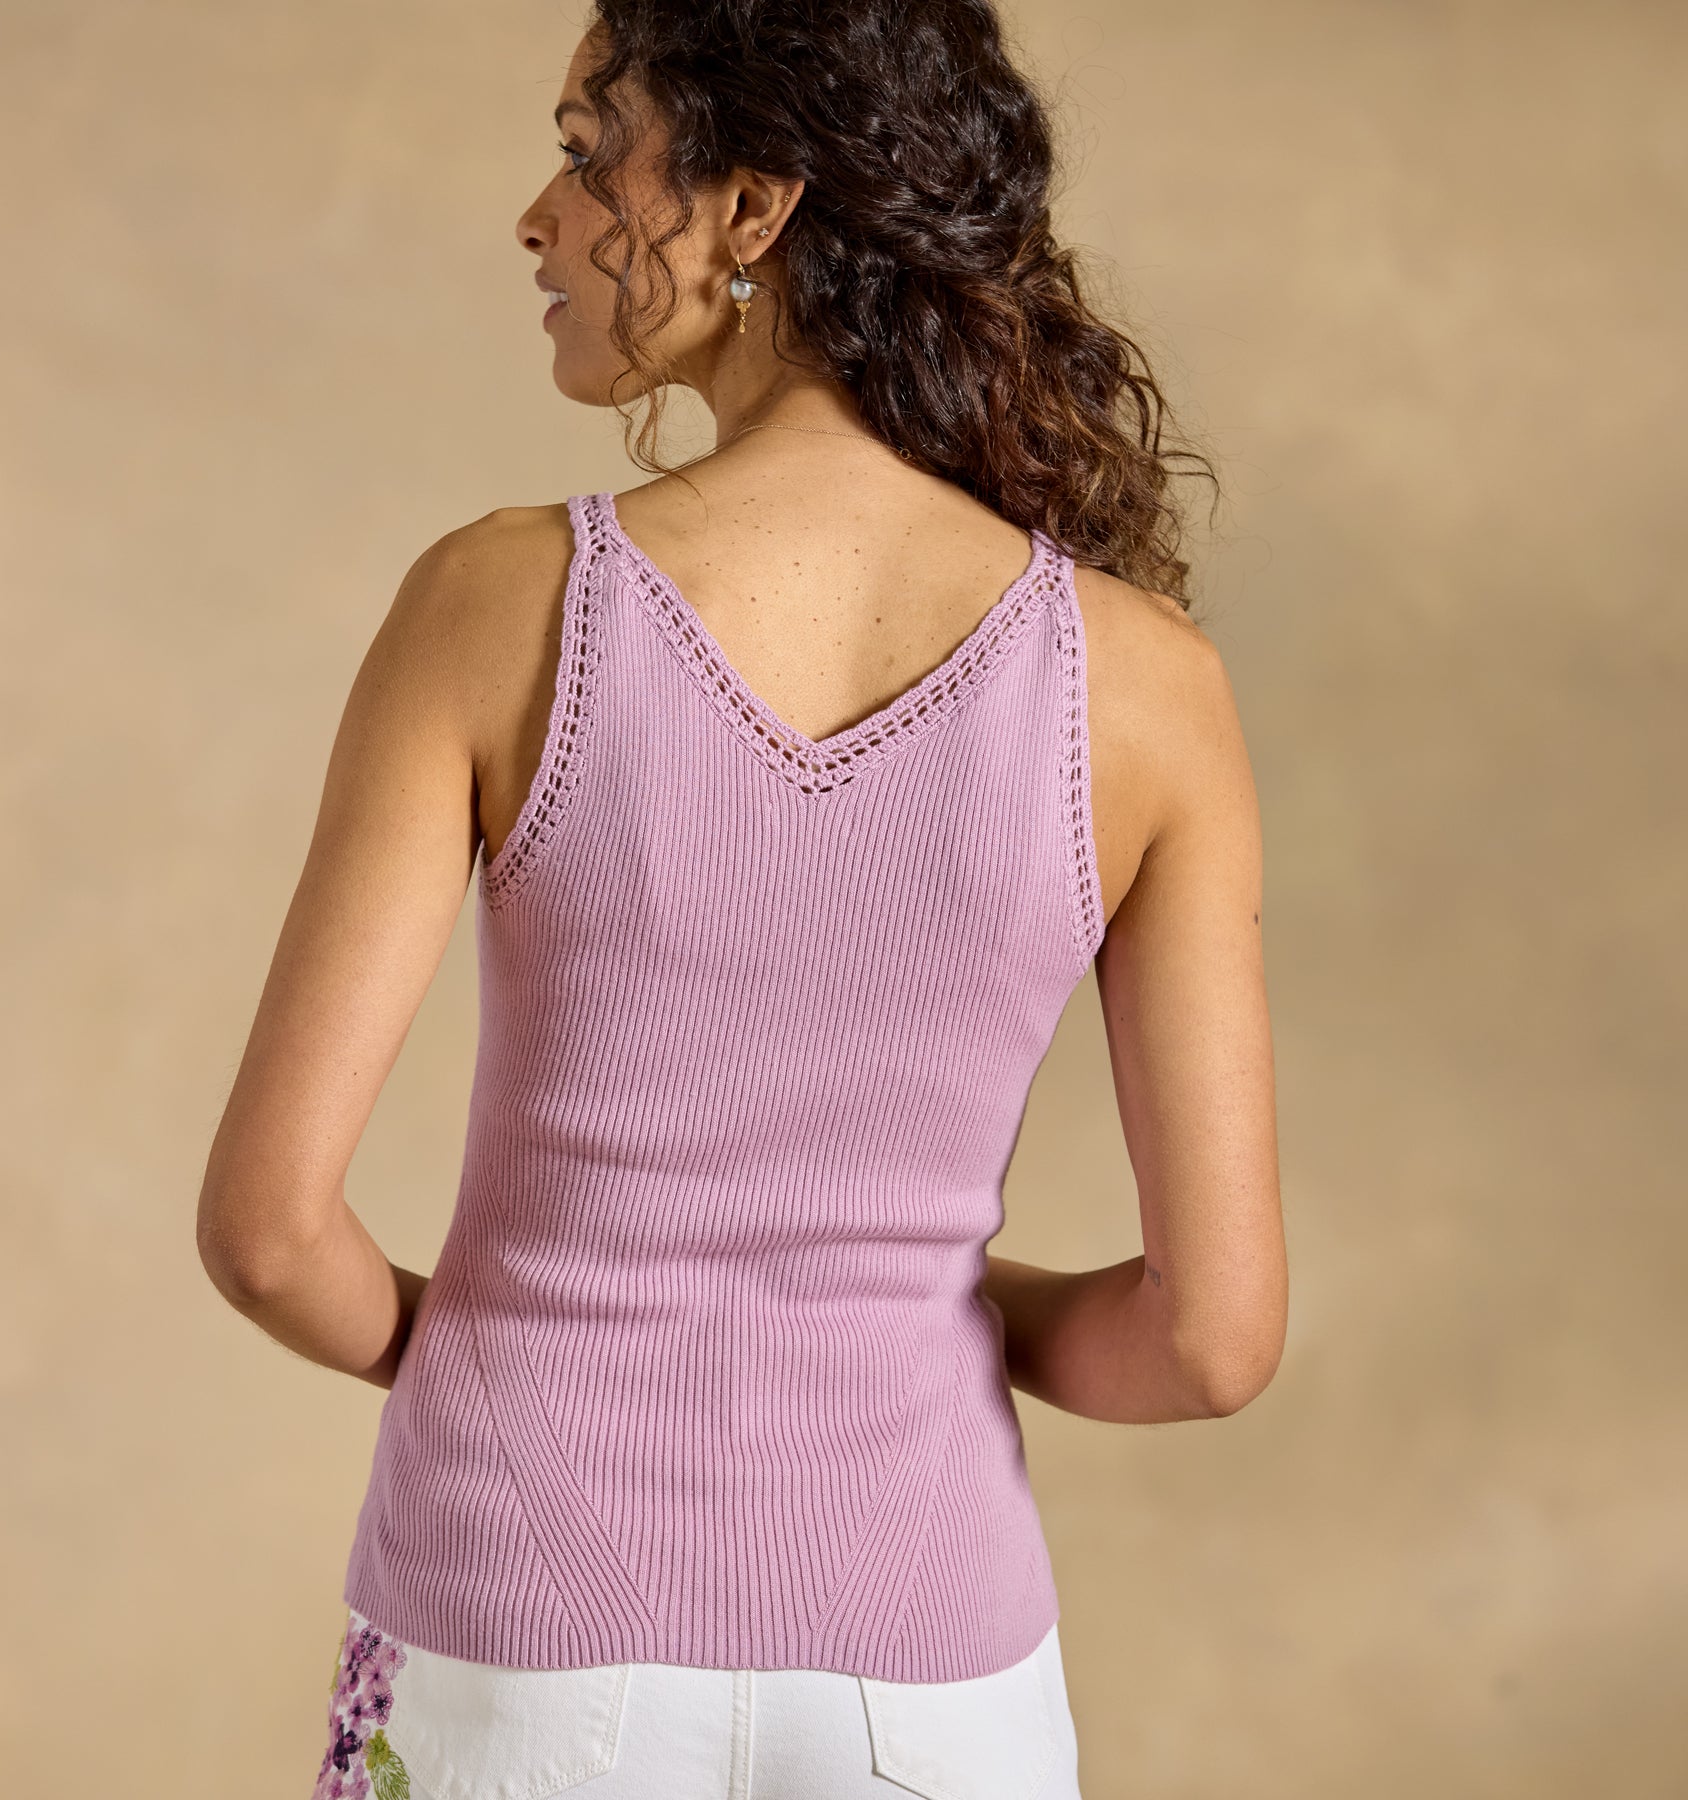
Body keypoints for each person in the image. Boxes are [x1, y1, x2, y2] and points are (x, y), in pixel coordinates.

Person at [195, 4, 1287, 1796]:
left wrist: (503, 1356)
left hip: (518, 1616)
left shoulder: (499, 603)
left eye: (586, 150)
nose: (538, 217)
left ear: (756, 207)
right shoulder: (1152, 689)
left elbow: (264, 1232)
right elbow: (1212, 1338)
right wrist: (918, 1301)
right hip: (934, 1673)